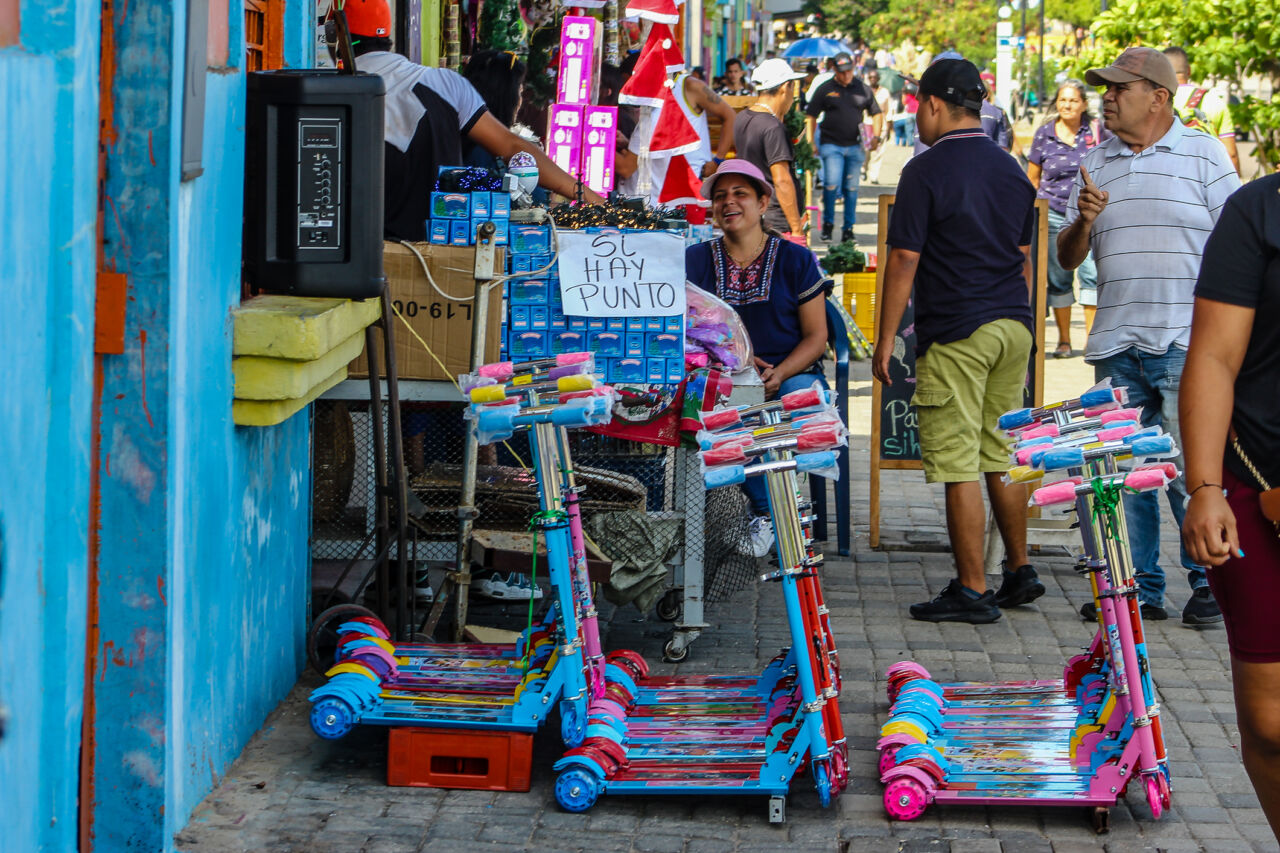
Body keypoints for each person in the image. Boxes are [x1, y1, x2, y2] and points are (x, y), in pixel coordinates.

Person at [1057, 46, 1240, 624]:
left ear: (1159, 97)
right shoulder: (1097, 164)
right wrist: (1084, 220)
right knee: (1123, 474)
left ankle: (1213, 583)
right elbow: (1066, 259)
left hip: (1189, 344)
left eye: (1119, 89)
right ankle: (1135, 589)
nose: (1106, 98)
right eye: (1105, 89)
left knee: (1192, 468)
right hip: (1116, 343)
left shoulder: (1205, 155)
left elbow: (1242, 246)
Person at [872, 58, 1042, 624]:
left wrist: (884, 339)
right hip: (1012, 327)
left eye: (917, 104)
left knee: (958, 462)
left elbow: (903, 259)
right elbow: (1021, 259)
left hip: (959, 331)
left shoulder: (926, 169)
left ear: (934, 105)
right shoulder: (1013, 170)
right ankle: (1019, 570)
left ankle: (972, 588)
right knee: (1001, 451)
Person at [1180, 172, 1280, 843]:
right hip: (1258, 484)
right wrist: (1205, 486)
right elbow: (1214, 355)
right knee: (1271, 725)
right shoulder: (1260, 210)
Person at [344, 0, 603, 241]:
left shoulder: (334, 93)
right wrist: (593, 200)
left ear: (338, 37)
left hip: (361, 256)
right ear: (388, 39)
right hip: (443, 258)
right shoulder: (445, 83)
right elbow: (512, 148)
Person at [687, 159, 829, 556]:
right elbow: (685, 332)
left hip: (790, 371)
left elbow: (817, 337)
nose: (728, 203)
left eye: (740, 194)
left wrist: (779, 373)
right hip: (721, 377)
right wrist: (735, 369)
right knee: (727, 410)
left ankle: (777, 514)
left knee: (800, 403)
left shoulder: (795, 260)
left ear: (764, 202)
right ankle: (775, 514)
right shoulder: (695, 260)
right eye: (720, 197)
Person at [1026, 79, 1108, 357]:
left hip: (1089, 215)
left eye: (1073, 100)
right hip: (1053, 214)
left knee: (1091, 275)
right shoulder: (1044, 134)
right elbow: (1032, 179)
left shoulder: (1097, 132)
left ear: (1084, 104)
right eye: (1063, 100)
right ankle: (1063, 340)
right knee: (1059, 277)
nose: (1067, 105)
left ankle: (1090, 339)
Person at [804, 52, 883, 244]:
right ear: (834, 70)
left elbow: (877, 113)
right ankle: (828, 225)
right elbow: (811, 115)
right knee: (831, 186)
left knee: (852, 189)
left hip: (855, 146)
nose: (846, 75)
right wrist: (811, 142)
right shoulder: (826, 89)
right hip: (831, 145)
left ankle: (848, 228)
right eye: (842, 72)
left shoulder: (862, 89)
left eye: (849, 71)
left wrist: (876, 137)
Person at [732, 58, 808, 241]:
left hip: (754, 213)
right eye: (792, 88)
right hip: (776, 221)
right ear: (785, 87)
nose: (793, 96)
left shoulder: (743, 117)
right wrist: (797, 229)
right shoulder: (773, 127)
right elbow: (782, 180)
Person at [1163, 46, 1241, 176]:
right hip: (1207, 178)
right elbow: (1231, 153)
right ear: (1189, 70)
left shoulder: (1157, 101)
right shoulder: (1215, 101)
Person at [864, 68, 893, 183]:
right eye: (870, 78)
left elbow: (889, 110)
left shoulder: (885, 92)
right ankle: (863, 168)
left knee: (879, 152)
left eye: (874, 77)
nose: (872, 80)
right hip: (866, 124)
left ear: (878, 79)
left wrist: (889, 127)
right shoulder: (864, 91)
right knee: (866, 150)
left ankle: (874, 175)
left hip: (882, 126)